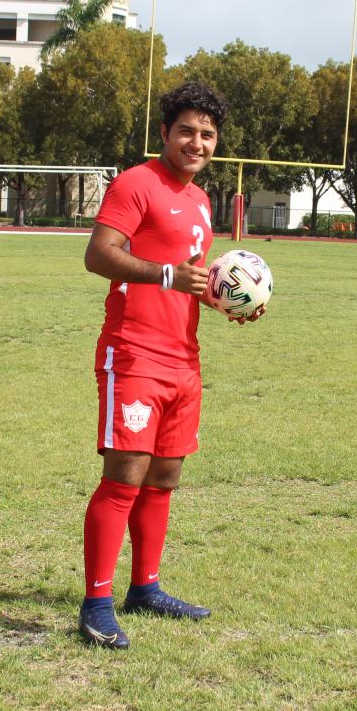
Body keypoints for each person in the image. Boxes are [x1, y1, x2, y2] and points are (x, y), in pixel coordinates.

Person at [77, 81, 263, 649]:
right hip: (133, 353)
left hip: (184, 358)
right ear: (165, 133)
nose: (197, 141)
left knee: (165, 476)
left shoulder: (202, 200)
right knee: (124, 477)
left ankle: (146, 588)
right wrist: (163, 275)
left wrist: (224, 300)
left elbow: (192, 276)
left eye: (208, 134)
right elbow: (98, 254)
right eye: (187, 130)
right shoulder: (137, 184)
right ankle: (96, 603)